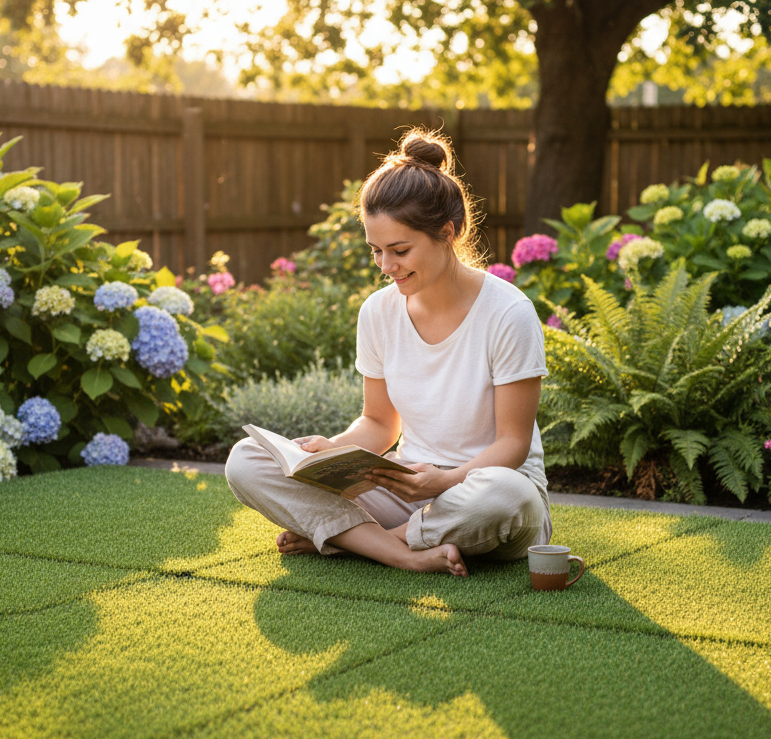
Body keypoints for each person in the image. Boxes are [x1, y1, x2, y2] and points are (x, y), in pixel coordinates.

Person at [224, 128, 551, 577]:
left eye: (399, 250)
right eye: (375, 251)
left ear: (447, 232)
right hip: (405, 488)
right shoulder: (377, 312)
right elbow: (380, 423)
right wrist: (332, 449)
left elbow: (512, 445)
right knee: (246, 460)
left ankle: (352, 542)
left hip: (488, 497)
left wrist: (445, 480)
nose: (385, 266)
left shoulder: (508, 312)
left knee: (501, 494)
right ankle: (399, 552)